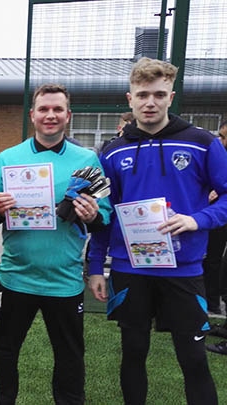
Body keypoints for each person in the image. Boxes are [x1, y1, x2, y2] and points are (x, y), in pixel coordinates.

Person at [88, 57, 227, 404]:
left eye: (159, 94)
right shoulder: (112, 152)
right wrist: (95, 266)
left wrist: (197, 219)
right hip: (129, 269)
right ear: (129, 98)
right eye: (143, 94)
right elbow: (104, 213)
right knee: (133, 353)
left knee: (193, 358)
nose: (150, 102)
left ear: (171, 96)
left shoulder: (202, 142)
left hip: (183, 269)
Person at [0, 83, 112, 404]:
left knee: (69, 358)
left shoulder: (87, 160)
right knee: (3, 353)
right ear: (32, 115)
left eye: (57, 109)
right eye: (44, 109)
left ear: (68, 115)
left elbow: (105, 219)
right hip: (16, 277)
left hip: (64, 281)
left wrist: (92, 214)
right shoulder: (7, 158)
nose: (50, 115)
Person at [203, 119, 227, 317]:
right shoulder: (217, 154)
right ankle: (212, 303)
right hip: (219, 217)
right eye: (221, 136)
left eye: (225, 137)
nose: (222, 141)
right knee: (213, 259)